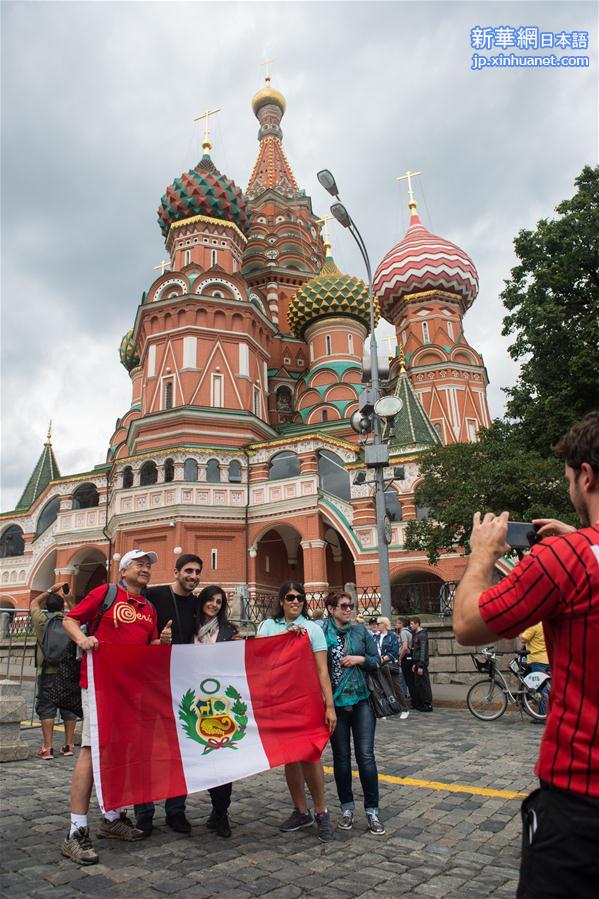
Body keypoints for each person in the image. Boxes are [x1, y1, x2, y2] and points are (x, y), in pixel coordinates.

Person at [452, 411, 599, 899]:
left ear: (586, 476)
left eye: (569, 479)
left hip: (582, 795)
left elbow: (468, 625)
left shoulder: (566, 558)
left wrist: (482, 555)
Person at [61, 550, 172, 866]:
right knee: (92, 749)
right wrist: (82, 640)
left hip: (132, 689)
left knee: (122, 752)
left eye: (149, 565)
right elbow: (70, 619)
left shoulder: (148, 607)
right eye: (140, 564)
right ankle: (75, 831)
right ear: (123, 570)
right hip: (101, 686)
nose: (146, 569)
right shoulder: (106, 593)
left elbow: (147, 648)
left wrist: (161, 642)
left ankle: (112, 818)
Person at [257, 580, 336, 842]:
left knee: (311, 756)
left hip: (307, 701)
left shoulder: (312, 629)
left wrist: (330, 706)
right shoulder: (267, 627)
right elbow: (259, 661)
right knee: (290, 757)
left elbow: (322, 670)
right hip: (280, 702)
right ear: (281, 600)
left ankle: (321, 811)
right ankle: (301, 811)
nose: (295, 601)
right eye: (290, 597)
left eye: (299, 597)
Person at [134, 553, 203, 837]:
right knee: (146, 752)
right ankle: (144, 813)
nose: (194, 576)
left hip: (183, 687)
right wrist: (156, 641)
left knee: (180, 752)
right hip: (151, 684)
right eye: (188, 570)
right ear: (176, 572)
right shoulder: (154, 596)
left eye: (197, 572)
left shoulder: (198, 603)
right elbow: (137, 629)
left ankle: (176, 811)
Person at [324, 592, 385, 835]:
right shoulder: (321, 633)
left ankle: (372, 810)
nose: (348, 610)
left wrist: (360, 659)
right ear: (331, 609)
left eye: (351, 606)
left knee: (366, 756)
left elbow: (376, 660)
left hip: (361, 701)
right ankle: (346, 808)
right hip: (335, 703)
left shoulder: (360, 632)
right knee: (341, 758)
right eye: (343, 606)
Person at [193, 585, 241, 838]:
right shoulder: (187, 627)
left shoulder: (229, 631)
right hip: (191, 702)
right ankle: (213, 808)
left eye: (219, 602)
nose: (213, 605)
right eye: (210, 600)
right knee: (199, 758)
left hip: (220, 703)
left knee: (221, 759)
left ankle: (221, 812)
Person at [29, 582, 79, 759]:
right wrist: (69, 600)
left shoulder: (41, 621)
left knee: (47, 708)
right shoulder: (70, 620)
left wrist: (50, 589)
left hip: (48, 671)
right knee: (69, 709)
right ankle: (69, 746)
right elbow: (81, 614)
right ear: (62, 606)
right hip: (68, 672)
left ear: (47, 607)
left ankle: (48, 748)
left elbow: (33, 603)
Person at [377, 616, 409, 718]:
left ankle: (404, 709)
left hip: (390, 664)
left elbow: (394, 651)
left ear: (385, 625)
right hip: (379, 665)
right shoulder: (376, 636)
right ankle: (386, 710)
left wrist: (384, 658)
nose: (377, 625)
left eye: (379, 623)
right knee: (382, 688)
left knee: (395, 687)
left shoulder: (392, 636)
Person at [519, 622, 550, 716]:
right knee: (544, 686)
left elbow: (523, 639)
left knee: (540, 688)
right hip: (547, 658)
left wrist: (518, 632)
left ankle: (542, 714)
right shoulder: (544, 624)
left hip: (537, 660)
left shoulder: (534, 625)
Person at [410, 617, 433, 712]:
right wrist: (415, 664)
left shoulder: (422, 635)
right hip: (417, 662)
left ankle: (427, 704)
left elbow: (423, 652)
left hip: (421, 664)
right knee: (418, 685)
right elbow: (417, 651)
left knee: (424, 685)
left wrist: (421, 665)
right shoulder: (416, 634)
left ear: (417, 624)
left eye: (412, 624)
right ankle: (421, 703)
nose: (410, 626)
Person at [398, 617, 414, 701]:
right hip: (409, 656)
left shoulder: (403, 632)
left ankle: (404, 696)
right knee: (408, 678)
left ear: (401, 624)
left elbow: (404, 647)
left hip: (405, 657)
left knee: (404, 678)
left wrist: (400, 658)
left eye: (398, 623)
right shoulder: (409, 631)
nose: (396, 624)